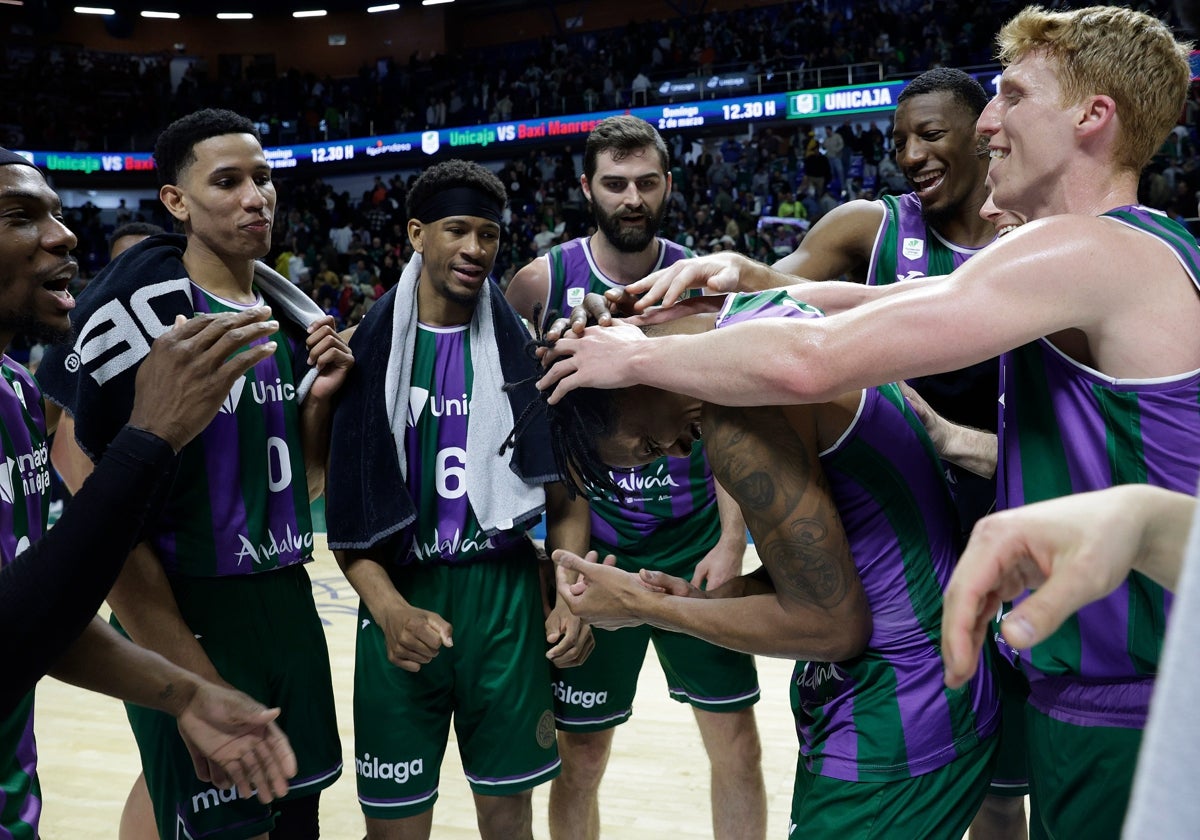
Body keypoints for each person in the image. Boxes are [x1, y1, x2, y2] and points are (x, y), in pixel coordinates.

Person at [540, 7, 1200, 837]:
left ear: (1091, 118)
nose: (988, 121)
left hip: (1135, 695)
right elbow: (885, 300)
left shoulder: (1094, 252)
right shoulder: (1117, 250)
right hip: (1096, 684)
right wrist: (734, 289)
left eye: (1013, 96)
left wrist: (632, 357)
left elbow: (815, 358)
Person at [536, 287, 999, 837]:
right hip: (929, 688)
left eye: (648, 447)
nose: (679, 453)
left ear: (623, 379)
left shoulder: (740, 425)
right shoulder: (748, 320)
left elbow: (833, 627)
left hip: (897, 719)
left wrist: (641, 607)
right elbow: (832, 565)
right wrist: (698, 603)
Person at [40, 108, 353, 840]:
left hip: (285, 601)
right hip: (187, 611)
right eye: (228, 181)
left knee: (291, 807)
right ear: (175, 202)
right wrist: (188, 679)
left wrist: (322, 413)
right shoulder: (147, 319)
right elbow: (87, 489)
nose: (256, 197)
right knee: (211, 821)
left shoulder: (287, 321)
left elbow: (294, 490)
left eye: (264, 178)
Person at [0, 146, 297, 839]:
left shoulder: (15, 392)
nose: (65, 234)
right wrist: (148, 436)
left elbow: (47, 613)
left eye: (57, 212)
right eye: (20, 215)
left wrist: (185, 695)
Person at [505, 114, 765, 840]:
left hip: (695, 539)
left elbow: (731, 415)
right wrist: (550, 562)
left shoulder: (700, 280)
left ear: (668, 187)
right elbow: (519, 428)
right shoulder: (539, 283)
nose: (632, 198)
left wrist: (732, 539)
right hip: (596, 546)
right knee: (581, 754)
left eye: (646, 183)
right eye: (615, 184)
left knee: (737, 744)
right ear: (587, 188)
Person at [325, 159, 593, 840]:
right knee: (393, 830)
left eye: (489, 235)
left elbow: (567, 498)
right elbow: (345, 518)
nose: (476, 249)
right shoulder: (364, 352)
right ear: (416, 233)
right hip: (400, 594)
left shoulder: (525, 359)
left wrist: (569, 595)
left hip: (502, 596)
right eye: (456, 230)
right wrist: (386, 611)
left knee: (509, 822)